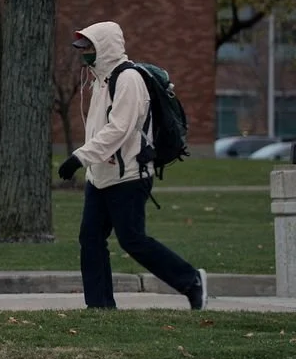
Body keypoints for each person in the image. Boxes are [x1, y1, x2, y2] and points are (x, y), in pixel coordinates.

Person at [57, 20, 207, 310]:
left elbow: (119, 129)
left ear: (104, 47)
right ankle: (99, 306)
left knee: (133, 240)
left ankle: (191, 281)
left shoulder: (128, 79)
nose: (83, 53)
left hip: (129, 176)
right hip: (100, 177)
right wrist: (89, 163)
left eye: (88, 47)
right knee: (90, 238)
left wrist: (79, 157)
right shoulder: (99, 80)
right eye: (82, 48)